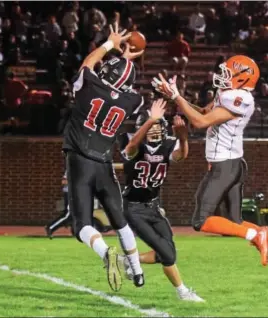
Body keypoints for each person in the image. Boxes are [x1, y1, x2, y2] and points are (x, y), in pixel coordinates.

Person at [152, 55, 268, 284]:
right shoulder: (228, 94)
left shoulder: (239, 98)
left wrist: (177, 97)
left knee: (200, 221)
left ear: (243, 79)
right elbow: (202, 113)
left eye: (230, 73)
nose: (223, 76)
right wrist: (175, 97)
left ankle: (257, 235)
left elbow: (202, 123)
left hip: (225, 167)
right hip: (232, 165)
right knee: (235, 222)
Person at [62, 22, 145, 292]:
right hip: (105, 164)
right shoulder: (132, 101)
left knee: (82, 226)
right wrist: (128, 57)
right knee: (120, 221)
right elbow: (128, 87)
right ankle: (138, 271)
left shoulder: (90, 85)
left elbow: (89, 62)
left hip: (80, 160)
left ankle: (106, 254)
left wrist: (111, 43)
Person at [116, 101, 203, 302]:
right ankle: (182, 292)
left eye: (157, 127)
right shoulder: (131, 142)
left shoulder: (167, 144)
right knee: (167, 254)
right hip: (134, 209)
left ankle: (129, 261)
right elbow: (130, 149)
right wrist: (151, 120)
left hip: (154, 207)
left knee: (169, 252)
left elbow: (181, 156)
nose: (154, 132)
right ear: (142, 128)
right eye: (150, 127)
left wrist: (183, 135)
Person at [45, 170, 72, 239]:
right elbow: (64, 181)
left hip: (74, 194)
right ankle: (50, 227)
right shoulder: (72, 168)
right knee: (68, 215)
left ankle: (78, 232)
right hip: (70, 194)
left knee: (70, 215)